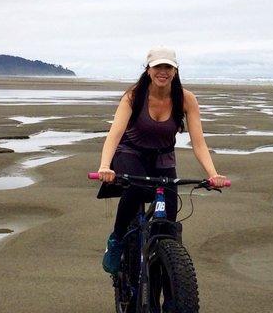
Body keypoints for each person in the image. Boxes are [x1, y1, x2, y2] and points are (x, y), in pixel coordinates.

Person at [96, 47, 227, 274]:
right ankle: (116, 240)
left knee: (168, 223)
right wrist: (105, 166)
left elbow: (199, 143)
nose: (163, 71)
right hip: (130, 153)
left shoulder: (186, 99)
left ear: (175, 71)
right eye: (158, 66)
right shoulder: (133, 97)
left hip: (163, 158)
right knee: (136, 189)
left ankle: (170, 277)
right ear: (148, 70)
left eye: (168, 67)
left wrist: (213, 174)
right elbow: (114, 135)